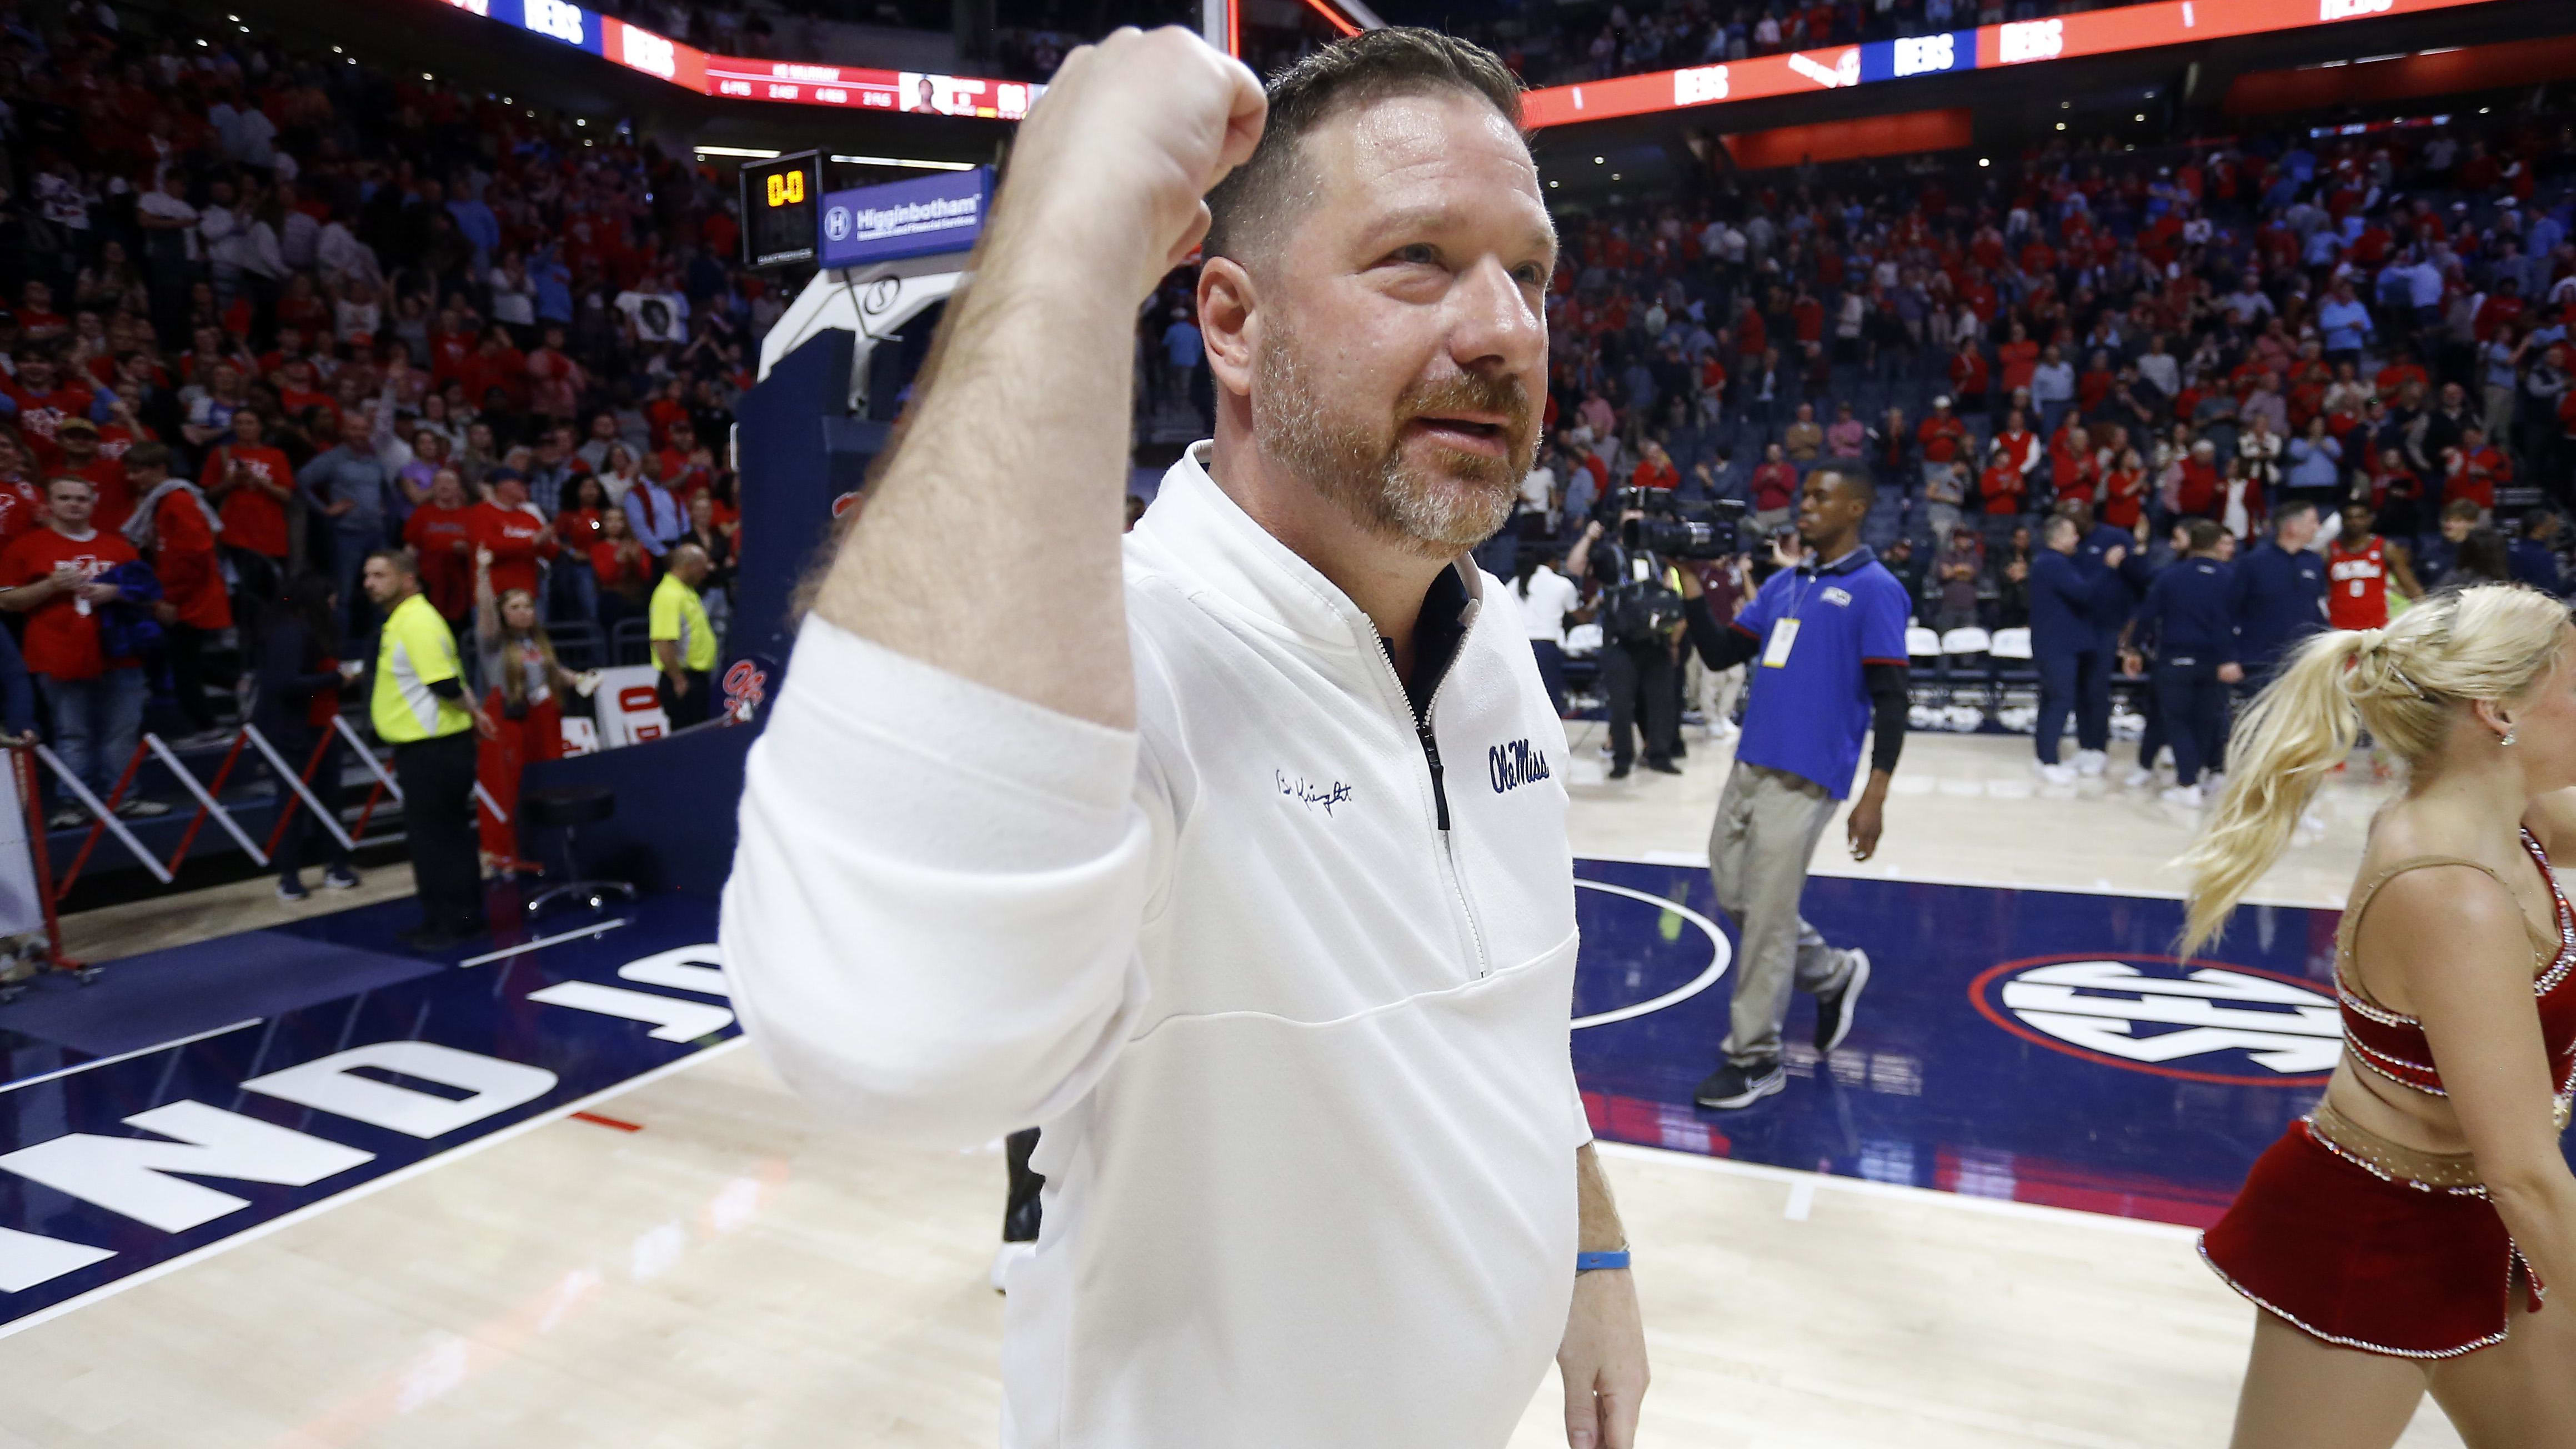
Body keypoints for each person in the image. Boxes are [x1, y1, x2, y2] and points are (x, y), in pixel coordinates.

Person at [719, 29, 1646, 1448]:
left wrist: (1588, 1248)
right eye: (1416, 258)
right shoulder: (1127, 655)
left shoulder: (1489, 643)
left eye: (1525, 273)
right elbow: (881, 1031)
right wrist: (1067, 231)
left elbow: (1517, 1008)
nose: (1504, 330)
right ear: (1230, 320)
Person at [2182, 584, 2576, 1444]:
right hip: (2371, 1232)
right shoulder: (2450, 894)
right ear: (2497, 707)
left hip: (2483, 1218)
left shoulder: (2506, 814)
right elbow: (2526, 1172)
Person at [1674, 466, 1908, 1109]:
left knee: (1768, 919)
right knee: (1736, 895)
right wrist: (1690, 582)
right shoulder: (1785, 584)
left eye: (1820, 497)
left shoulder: (1876, 590)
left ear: (1855, 508)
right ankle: (1834, 975)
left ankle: (1755, 1058)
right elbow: (1723, 653)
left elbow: (1893, 700)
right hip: (1750, 764)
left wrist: (1875, 793)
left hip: (1808, 779)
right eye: (1804, 496)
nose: (1804, 506)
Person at [0, 476, 165, 825]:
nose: (74, 505)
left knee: (122, 729)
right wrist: (51, 586)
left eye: (81, 499)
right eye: (65, 498)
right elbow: (7, 601)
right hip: (57, 652)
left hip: (119, 653)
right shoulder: (27, 546)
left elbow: (149, 593)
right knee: (72, 731)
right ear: (50, 504)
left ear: (93, 504)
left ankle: (121, 798)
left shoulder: (119, 546)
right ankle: (73, 804)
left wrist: (115, 593)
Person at [364, 548, 492, 950]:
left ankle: (454, 922)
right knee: (440, 836)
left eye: (379, 575)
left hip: (433, 750)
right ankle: (448, 917)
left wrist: (470, 713)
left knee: (439, 839)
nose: (369, 583)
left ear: (407, 579)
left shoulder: (416, 621)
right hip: (428, 747)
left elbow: (444, 684)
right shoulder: (405, 620)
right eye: (367, 576)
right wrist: (475, 713)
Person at [255, 573, 360, 902]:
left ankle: (335, 865)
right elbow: (283, 683)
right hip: (292, 733)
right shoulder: (291, 631)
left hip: (324, 728)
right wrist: (335, 678)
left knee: (330, 799)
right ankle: (289, 876)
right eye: (330, 597)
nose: (334, 604)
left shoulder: (314, 630)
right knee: (292, 804)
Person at [121, 442, 233, 741]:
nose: (132, 478)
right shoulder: (166, 501)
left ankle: (207, 726)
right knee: (182, 659)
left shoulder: (176, 501)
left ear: (159, 469)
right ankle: (236, 687)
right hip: (184, 593)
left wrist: (169, 598)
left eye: (138, 471)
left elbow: (193, 553)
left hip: (188, 597)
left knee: (183, 664)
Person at [473, 546, 575, 867]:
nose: (524, 612)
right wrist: (483, 572)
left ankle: (548, 842)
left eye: (528, 606)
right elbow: (486, 611)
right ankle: (504, 851)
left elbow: (555, 673)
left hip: (543, 717)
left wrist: (581, 679)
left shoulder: (536, 642)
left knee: (548, 779)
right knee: (507, 783)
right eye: (515, 607)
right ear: (504, 613)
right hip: (509, 716)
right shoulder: (494, 642)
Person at [2127, 519, 2240, 807]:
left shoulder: (2171, 576)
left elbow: (2148, 616)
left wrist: (2134, 648)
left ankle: (2187, 783)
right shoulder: (2232, 578)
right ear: (2217, 544)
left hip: (2175, 658)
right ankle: (2201, 776)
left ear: (2191, 543)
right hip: (2215, 661)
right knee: (2206, 720)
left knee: (2178, 722)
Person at [1567, 513, 1680, 778]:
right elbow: (1575, 566)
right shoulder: (1610, 554)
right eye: (1632, 522)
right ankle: (1622, 758)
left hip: (1654, 640)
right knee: (1620, 704)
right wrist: (1589, 537)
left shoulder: (1656, 556)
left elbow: (1668, 589)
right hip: (1620, 642)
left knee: (1660, 702)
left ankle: (1659, 754)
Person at [2029, 514, 2120, 785]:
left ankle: (2044, 756)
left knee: (2050, 701)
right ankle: (2048, 761)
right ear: (2057, 538)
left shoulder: (2047, 562)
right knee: (2060, 701)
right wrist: (2107, 568)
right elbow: (2084, 594)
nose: (2077, 538)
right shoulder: (2054, 563)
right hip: (2058, 647)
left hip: (2052, 644)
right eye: (2071, 534)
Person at [298, 407, 400, 638]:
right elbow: (302, 481)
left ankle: (380, 643)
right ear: (344, 431)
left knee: (383, 591)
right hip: (348, 534)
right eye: (354, 428)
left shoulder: (374, 459)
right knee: (343, 595)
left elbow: (385, 489)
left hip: (376, 533)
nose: (360, 433)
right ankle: (337, 650)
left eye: (364, 429)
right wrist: (325, 509)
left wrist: (383, 506)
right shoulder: (333, 458)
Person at [2232, 501, 2328, 690]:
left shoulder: (2314, 562)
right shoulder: (2252, 563)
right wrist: (2228, 658)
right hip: (2261, 662)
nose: (2318, 527)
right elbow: (2229, 611)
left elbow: (2318, 606)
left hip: (2305, 660)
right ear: (2292, 526)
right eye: (2313, 521)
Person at [650, 541, 718, 727]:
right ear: (689, 567)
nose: (705, 575)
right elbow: (663, 641)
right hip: (684, 680)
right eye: (702, 570)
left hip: (694, 678)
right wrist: (678, 679)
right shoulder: (669, 595)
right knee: (687, 737)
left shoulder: (685, 591)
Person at [2326, 501, 2422, 632]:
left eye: (2360, 517)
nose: (2354, 522)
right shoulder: (2328, 551)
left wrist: (2427, 615)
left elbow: (2413, 589)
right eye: (2350, 518)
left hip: (2377, 628)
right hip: (2339, 629)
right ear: (2342, 521)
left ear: (2370, 519)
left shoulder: (2386, 548)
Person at [1511, 547, 1579, 716]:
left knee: (1523, 699)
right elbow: (1580, 617)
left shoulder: (1514, 583)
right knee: (1549, 700)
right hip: (1546, 646)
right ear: (1553, 561)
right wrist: (1595, 603)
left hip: (1518, 647)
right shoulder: (1562, 584)